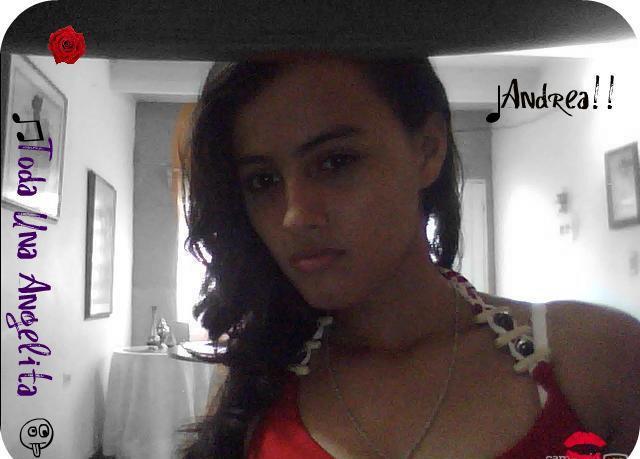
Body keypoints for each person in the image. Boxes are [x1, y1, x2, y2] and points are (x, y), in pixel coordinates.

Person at [179, 52, 640, 458]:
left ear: (428, 149)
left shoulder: (593, 355)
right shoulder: (259, 379)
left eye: (336, 161)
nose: (294, 216)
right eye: (263, 181)